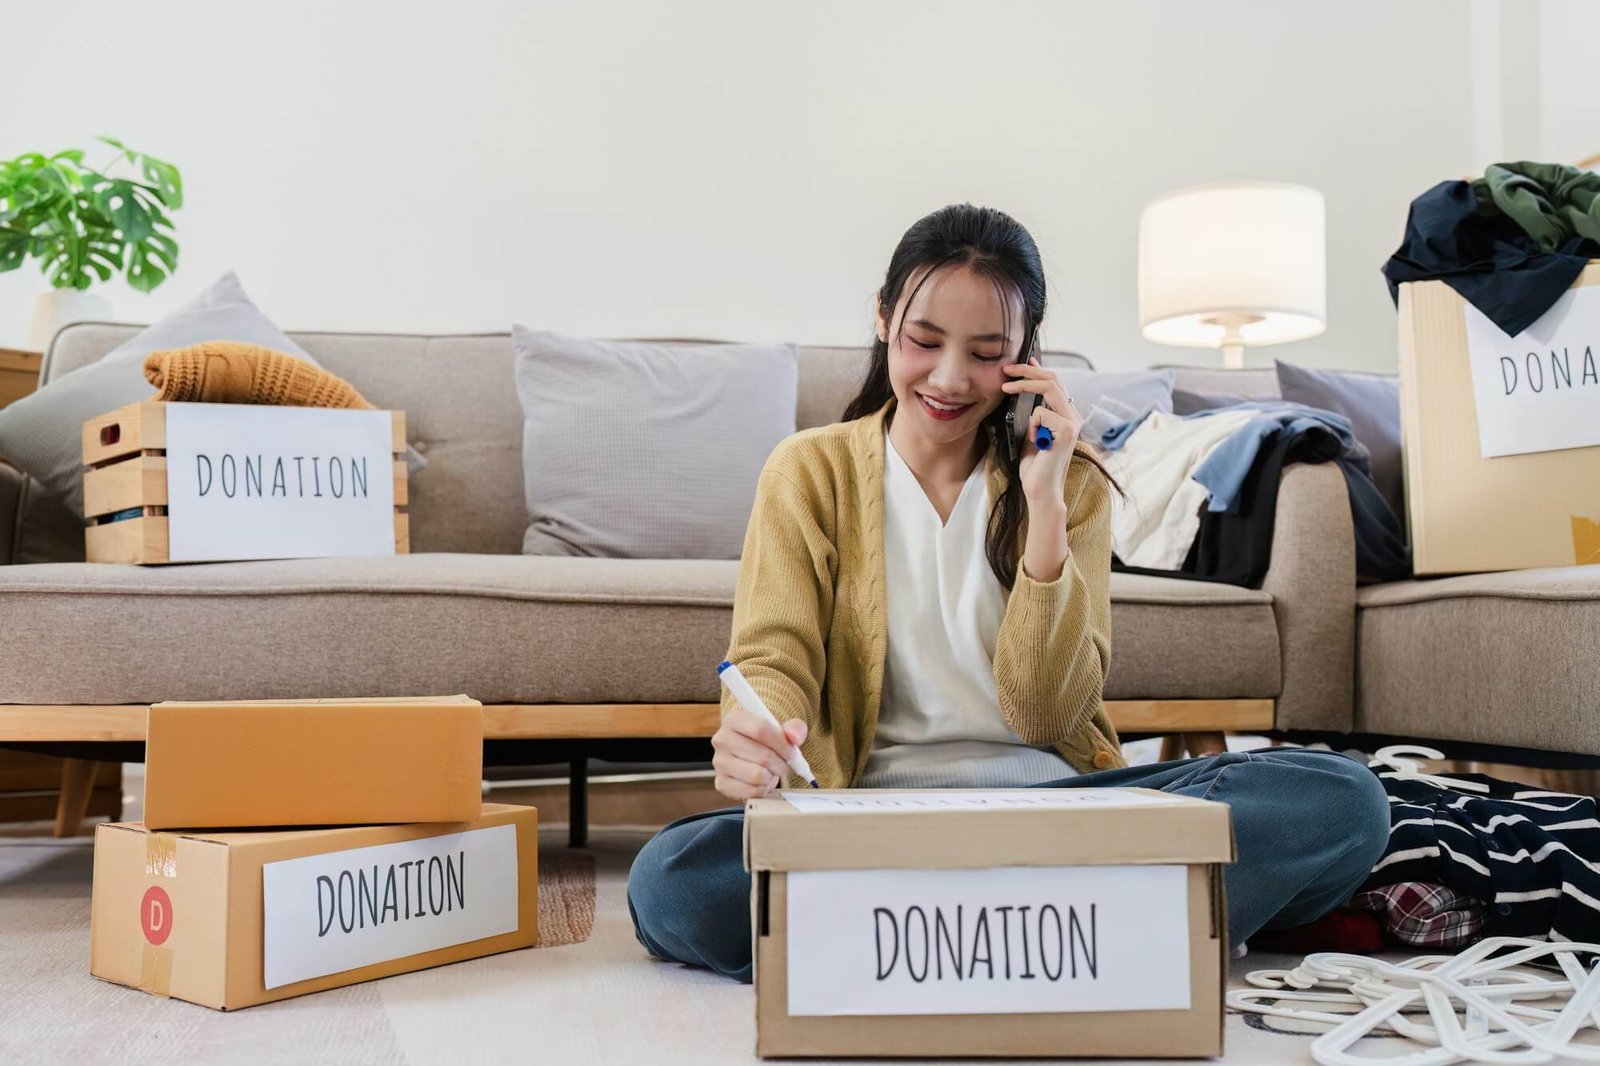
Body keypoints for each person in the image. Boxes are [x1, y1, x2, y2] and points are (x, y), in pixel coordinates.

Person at [627, 203, 1390, 982]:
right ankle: (1086, 932)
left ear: (1026, 355)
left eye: (987, 353)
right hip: (871, 819)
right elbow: (771, 652)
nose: (951, 379)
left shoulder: (1074, 486)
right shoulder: (808, 470)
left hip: (1059, 815)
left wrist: (1047, 506)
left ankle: (915, 939)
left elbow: (1048, 715)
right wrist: (756, 737)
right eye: (924, 342)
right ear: (885, 320)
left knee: (1342, 798)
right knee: (670, 879)